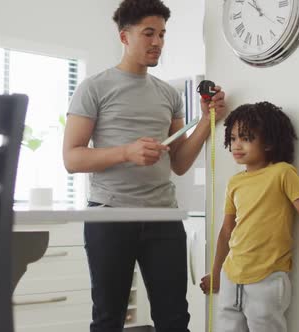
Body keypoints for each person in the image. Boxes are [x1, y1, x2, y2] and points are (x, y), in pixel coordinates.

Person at [62, 0, 226, 331]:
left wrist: (209, 121)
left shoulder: (169, 95)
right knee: (108, 319)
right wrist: (126, 152)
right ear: (124, 36)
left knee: (175, 319)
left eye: (163, 34)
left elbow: (179, 162)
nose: (157, 43)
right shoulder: (93, 88)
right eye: (148, 33)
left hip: (162, 217)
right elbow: (72, 158)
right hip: (109, 215)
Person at [199, 102, 299, 332]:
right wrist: (217, 271)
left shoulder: (283, 173)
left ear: (269, 142)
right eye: (232, 139)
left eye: (245, 138)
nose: (236, 145)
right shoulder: (235, 182)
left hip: (267, 278)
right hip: (232, 276)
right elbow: (227, 231)